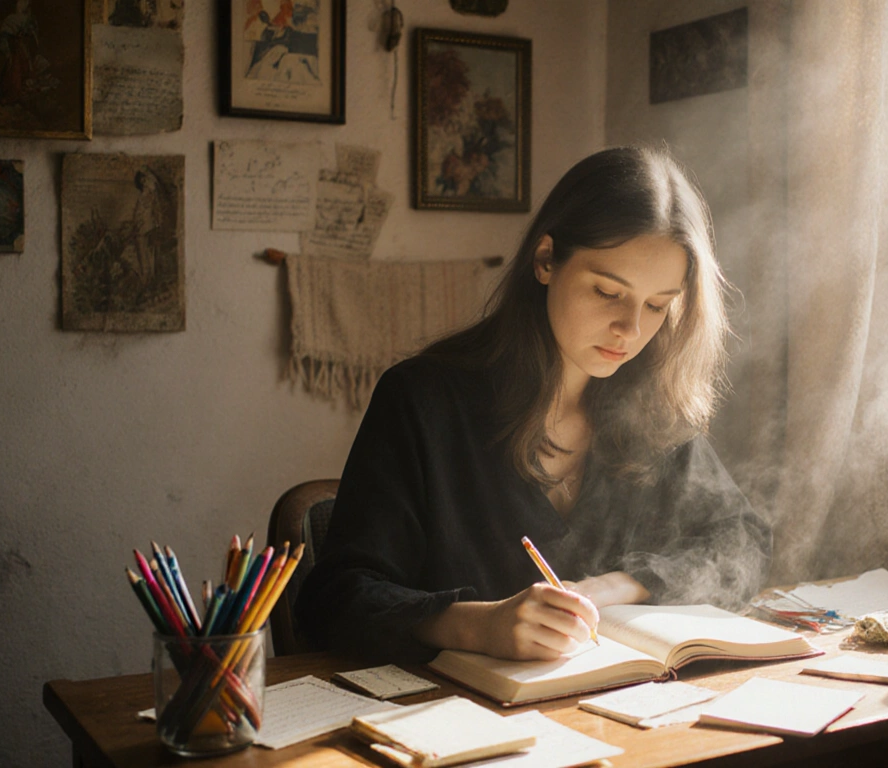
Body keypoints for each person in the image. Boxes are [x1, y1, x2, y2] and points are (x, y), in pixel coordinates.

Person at [296, 146, 771, 664]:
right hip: (456, 724)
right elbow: (335, 601)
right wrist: (479, 626)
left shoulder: (650, 408)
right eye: (608, 291)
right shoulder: (424, 401)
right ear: (546, 260)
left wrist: (621, 586)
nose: (631, 329)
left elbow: (743, 540)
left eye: (658, 305)